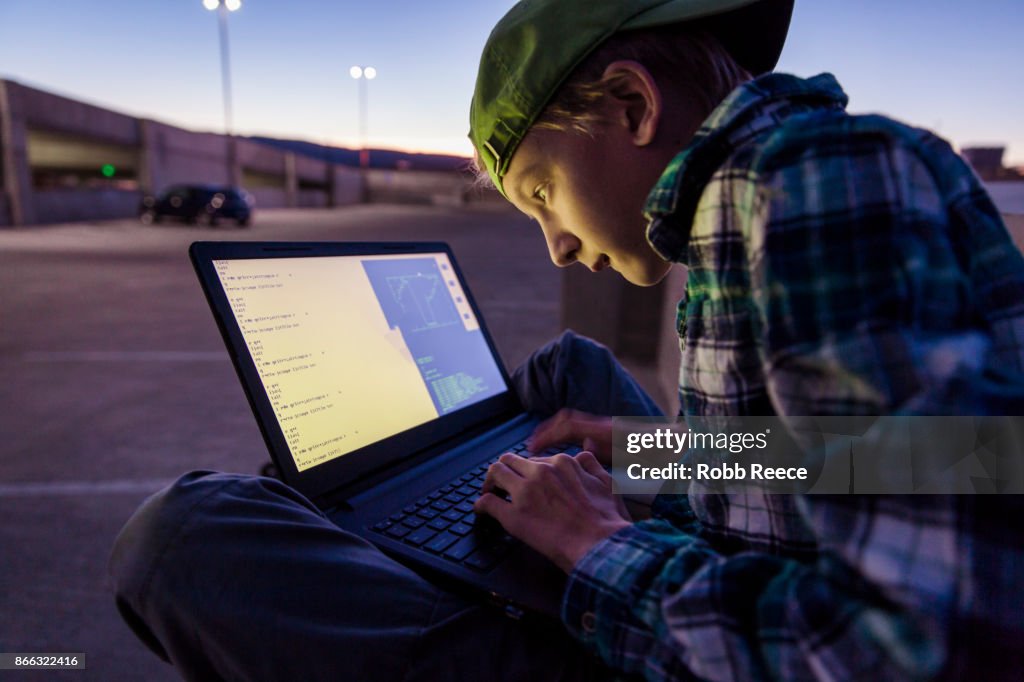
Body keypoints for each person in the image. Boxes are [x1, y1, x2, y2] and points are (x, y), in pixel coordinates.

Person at [111, 0, 1024, 679]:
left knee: (183, 535)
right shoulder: (786, 182)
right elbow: (935, 459)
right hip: (750, 570)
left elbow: (923, 643)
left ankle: (394, 525)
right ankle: (410, 507)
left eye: (542, 190)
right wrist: (662, 452)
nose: (554, 242)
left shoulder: (806, 184)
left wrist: (595, 549)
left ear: (630, 105)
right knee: (567, 375)